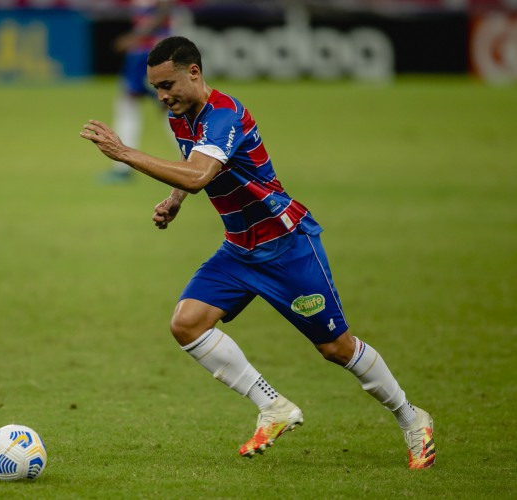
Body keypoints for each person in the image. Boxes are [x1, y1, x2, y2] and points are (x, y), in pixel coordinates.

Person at [80, 36, 435, 469]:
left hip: (286, 245)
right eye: (156, 88)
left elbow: (198, 175)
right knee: (187, 324)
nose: (162, 96)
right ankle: (274, 407)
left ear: (194, 72)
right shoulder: (181, 117)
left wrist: (124, 153)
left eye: (168, 84)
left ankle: (412, 417)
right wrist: (173, 202)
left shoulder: (224, 115)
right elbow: (189, 169)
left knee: (336, 349)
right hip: (239, 249)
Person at [102, 0, 174, 183]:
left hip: (150, 52)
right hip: (143, 53)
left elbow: (163, 11)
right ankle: (123, 167)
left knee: (168, 108)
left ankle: (200, 160)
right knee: (130, 104)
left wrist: (135, 37)